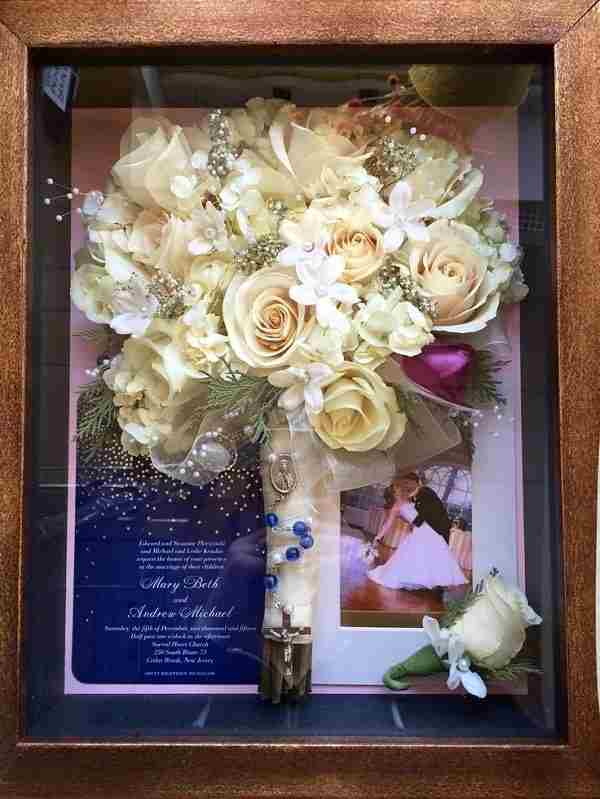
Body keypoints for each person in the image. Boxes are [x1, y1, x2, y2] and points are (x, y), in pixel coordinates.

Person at [368, 475, 466, 591]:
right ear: (394, 495)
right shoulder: (396, 508)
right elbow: (388, 524)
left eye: (400, 488)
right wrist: (378, 536)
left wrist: (412, 524)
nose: (402, 490)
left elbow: (419, 514)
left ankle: (427, 580)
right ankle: (414, 579)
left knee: (433, 555)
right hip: (420, 532)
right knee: (418, 556)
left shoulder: (411, 499)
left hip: (429, 529)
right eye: (398, 489)